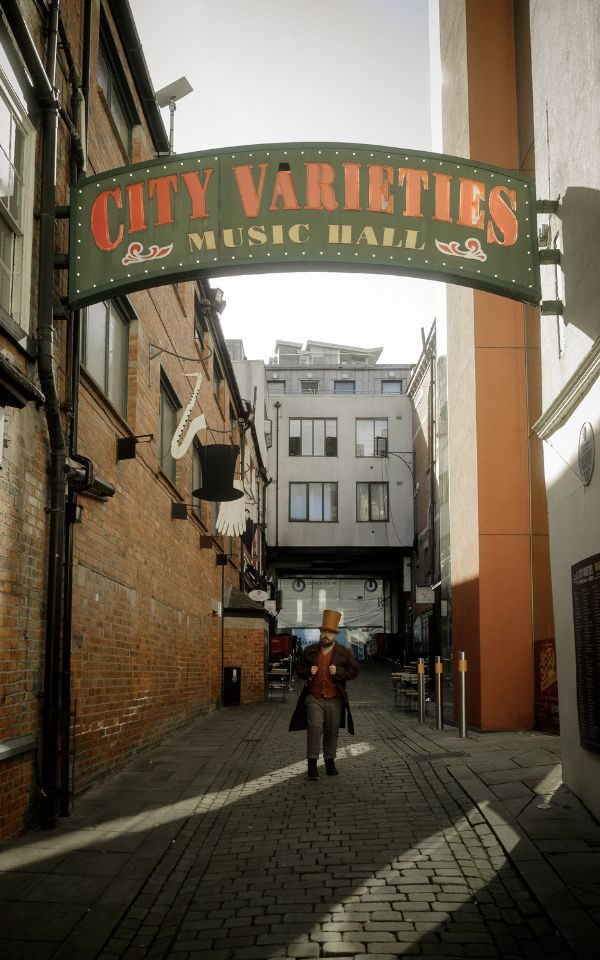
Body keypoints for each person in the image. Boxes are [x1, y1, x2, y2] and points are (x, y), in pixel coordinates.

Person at [289, 610, 359, 780]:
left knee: (331, 730)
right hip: (314, 697)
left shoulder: (344, 652)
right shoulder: (310, 650)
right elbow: (298, 670)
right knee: (314, 729)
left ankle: (329, 762)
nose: (326, 635)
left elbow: (355, 671)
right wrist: (308, 671)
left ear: (335, 634)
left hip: (335, 699)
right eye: (323, 632)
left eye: (329, 632)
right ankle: (312, 765)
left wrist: (340, 671)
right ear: (320, 633)